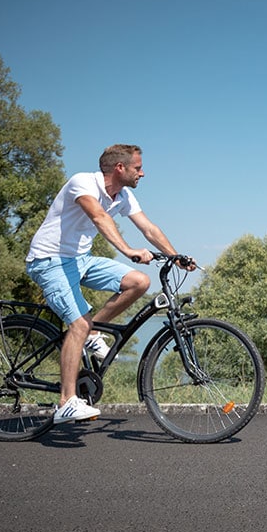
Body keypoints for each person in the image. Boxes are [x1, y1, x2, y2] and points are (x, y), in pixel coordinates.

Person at [25, 144, 192, 424]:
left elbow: (149, 228)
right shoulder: (83, 182)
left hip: (80, 259)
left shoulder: (123, 196)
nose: (143, 173)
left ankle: (92, 334)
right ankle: (66, 401)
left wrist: (175, 257)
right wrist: (128, 251)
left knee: (139, 281)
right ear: (120, 168)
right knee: (78, 323)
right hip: (49, 260)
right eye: (138, 168)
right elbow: (98, 216)